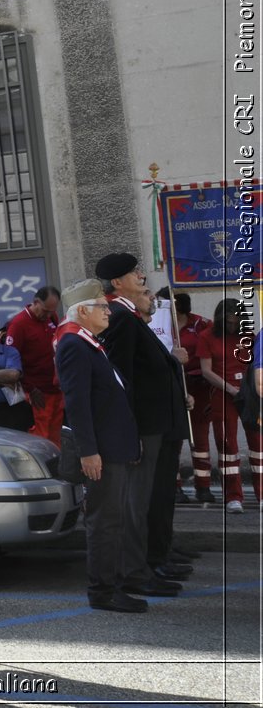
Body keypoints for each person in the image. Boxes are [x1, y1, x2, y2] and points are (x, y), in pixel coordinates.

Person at [95, 253, 191, 595]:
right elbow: (123, 380)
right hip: (143, 427)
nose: (142, 276)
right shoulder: (120, 317)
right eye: (134, 273)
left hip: (156, 424)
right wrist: (130, 430)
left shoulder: (130, 316)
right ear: (117, 282)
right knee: (137, 504)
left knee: (149, 499)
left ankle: (147, 565)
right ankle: (136, 571)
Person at [54, 280, 148, 614]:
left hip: (113, 446)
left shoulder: (88, 341)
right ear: (81, 311)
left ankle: (114, 582)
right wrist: (88, 451)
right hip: (101, 451)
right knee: (104, 522)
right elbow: (77, 404)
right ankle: (104, 590)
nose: (109, 311)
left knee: (114, 520)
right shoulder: (72, 344)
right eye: (102, 306)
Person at [196, 298, 261, 512]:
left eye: (236, 322)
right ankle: (233, 497)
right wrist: (231, 389)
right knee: (228, 447)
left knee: (258, 446)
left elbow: (256, 364)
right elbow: (206, 371)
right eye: (229, 322)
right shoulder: (206, 336)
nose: (232, 326)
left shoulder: (248, 336)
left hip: (249, 395)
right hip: (223, 395)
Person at [167, 292, 216, 503]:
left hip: (198, 385)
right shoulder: (157, 325)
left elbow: (213, 352)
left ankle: (203, 486)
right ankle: (174, 488)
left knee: (199, 438)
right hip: (171, 386)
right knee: (173, 439)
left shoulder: (202, 325)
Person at [5, 287, 63, 443]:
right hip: (37, 391)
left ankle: (57, 465)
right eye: (45, 311)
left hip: (55, 387)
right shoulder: (19, 324)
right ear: (36, 302)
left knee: (56, 433)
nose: (48, 315)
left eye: (52, 311)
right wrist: (29, 388)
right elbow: (11, 361)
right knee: (40, 435)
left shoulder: (51, 317)